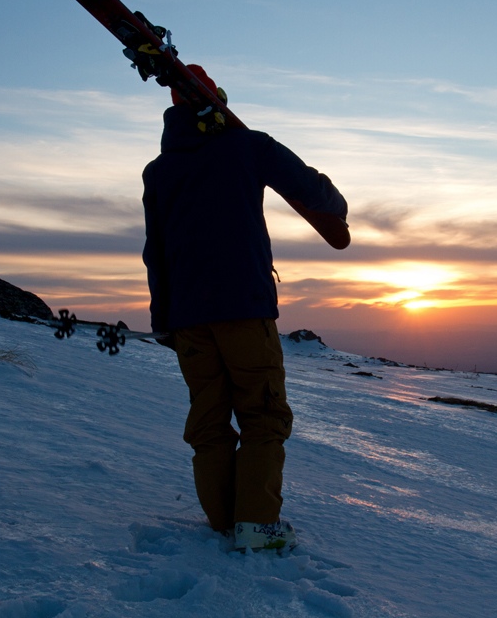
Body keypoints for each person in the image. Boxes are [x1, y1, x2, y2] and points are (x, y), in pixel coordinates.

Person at [142, 65, 347, 551]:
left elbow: (156, 250)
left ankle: (225, 522)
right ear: (218, 100)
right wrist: (337, 205)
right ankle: (256, 526)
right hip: (244, 308)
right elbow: (310, 188)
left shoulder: (158, 171)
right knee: (264, 416)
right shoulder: (248, 146)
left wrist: (163, 322)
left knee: (209, 422)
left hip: (187, 319)